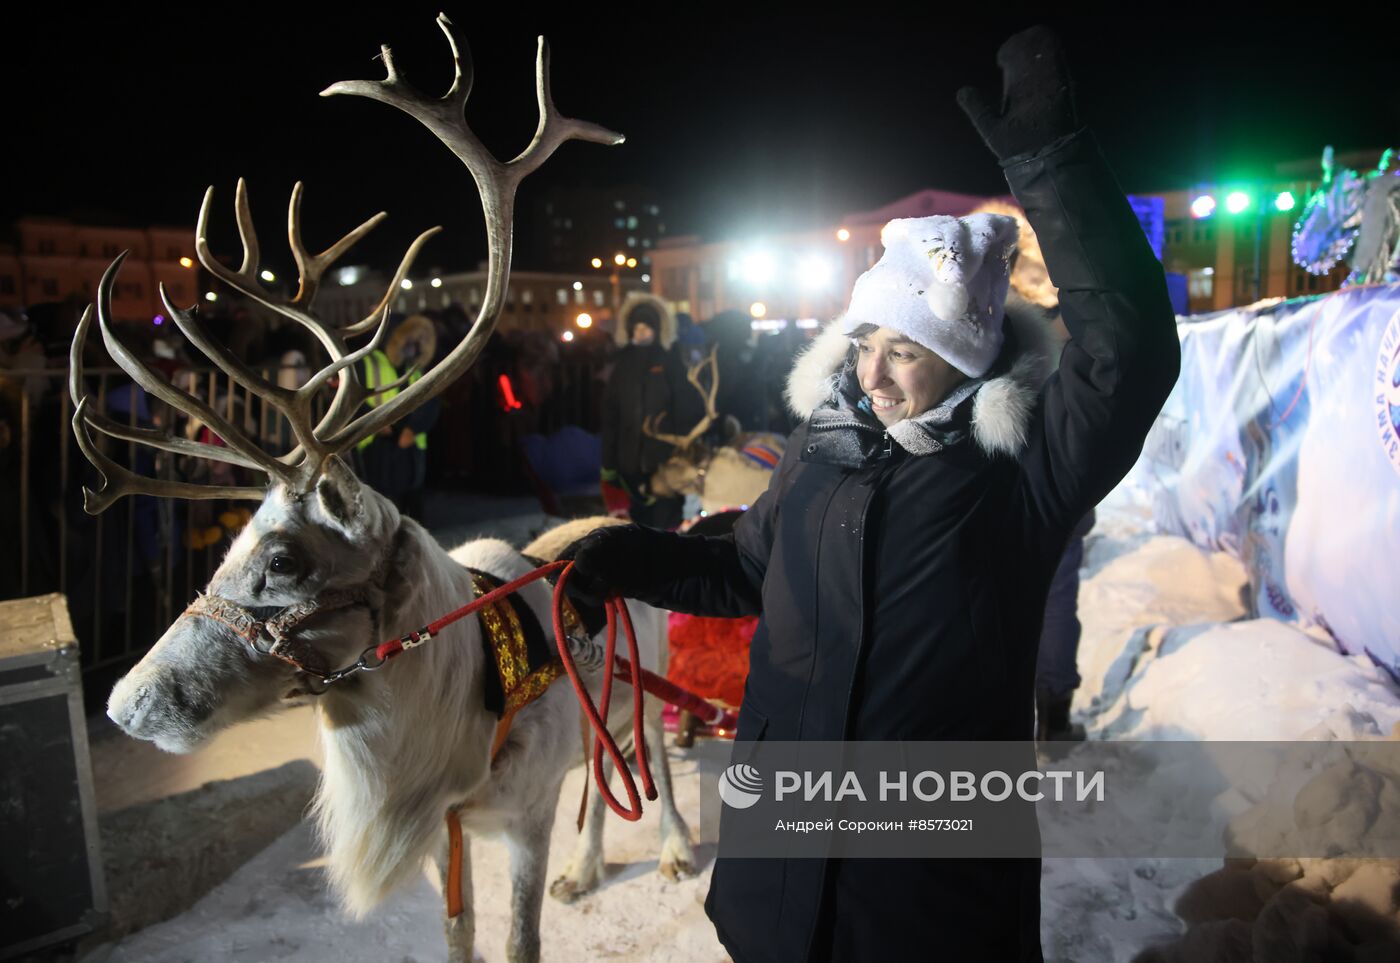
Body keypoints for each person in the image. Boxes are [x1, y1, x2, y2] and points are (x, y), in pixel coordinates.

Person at [565, 27, 1178, 962]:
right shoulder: (823, 445)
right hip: (781, 868)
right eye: (864, 343)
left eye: (905, 352)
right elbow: (744, 570)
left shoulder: (1023, 468)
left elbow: (1129, 353)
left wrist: (1053, 167)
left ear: (966, 358)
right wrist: (628, 555)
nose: (875, 374)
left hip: (927, 888)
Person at [599, 293, 698, 529]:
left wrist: (682, 449)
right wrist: (609, 463)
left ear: (657, 329)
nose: (641, 332)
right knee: (636, 524)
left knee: (667, 523)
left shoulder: (671, 362)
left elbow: (686, 407)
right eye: (637, 328)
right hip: (629, 462)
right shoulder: (622, 365)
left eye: (647, 327)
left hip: (665, 462)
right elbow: (611, 415)